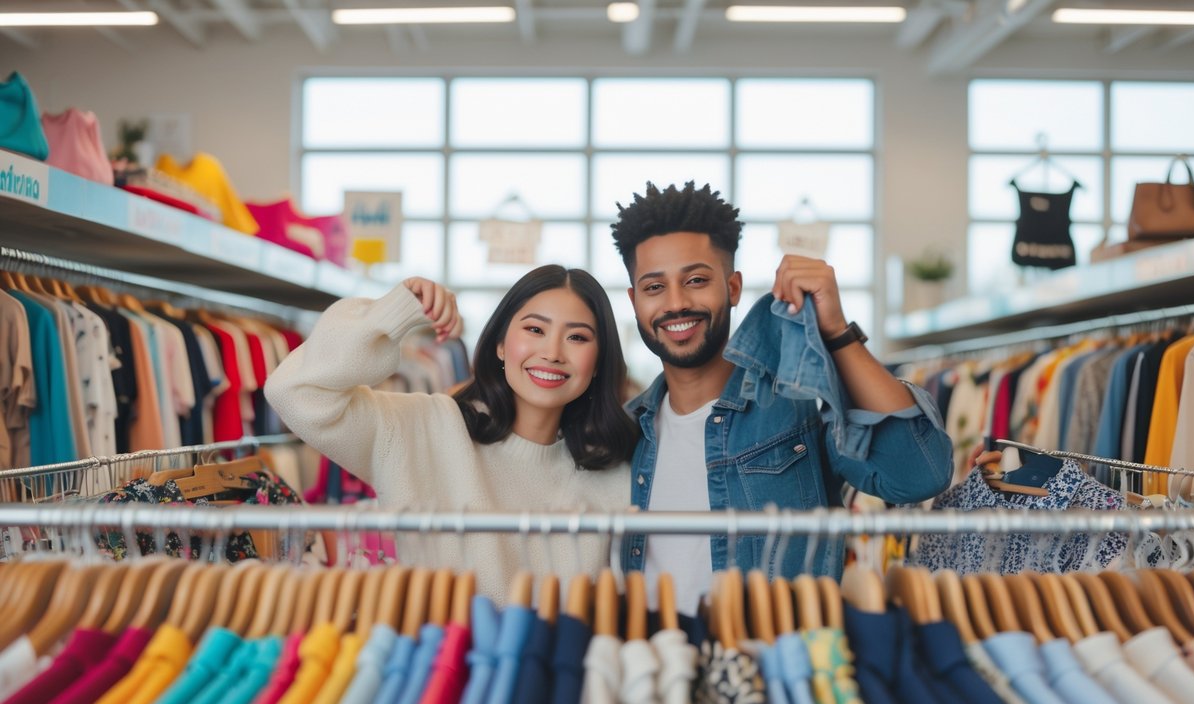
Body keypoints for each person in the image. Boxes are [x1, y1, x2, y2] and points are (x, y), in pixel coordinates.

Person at [612, 181, 952, 611]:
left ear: (732, 288)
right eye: (654, 287)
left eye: (696, 280)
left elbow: (919, 476)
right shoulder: (623, 432)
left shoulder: (798, 408)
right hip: (654, 665)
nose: (676, 303)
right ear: (634, 300)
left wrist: (836, 332)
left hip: (770, 667)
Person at [265, 265, 638, 604]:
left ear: (598, 362)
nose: (553, 352)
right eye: (535, 329)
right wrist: (390, 313)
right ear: (500, 345)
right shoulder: (425, 429)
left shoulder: (617, 476)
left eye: (577, 338)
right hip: (437, 671)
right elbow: (294, 392)